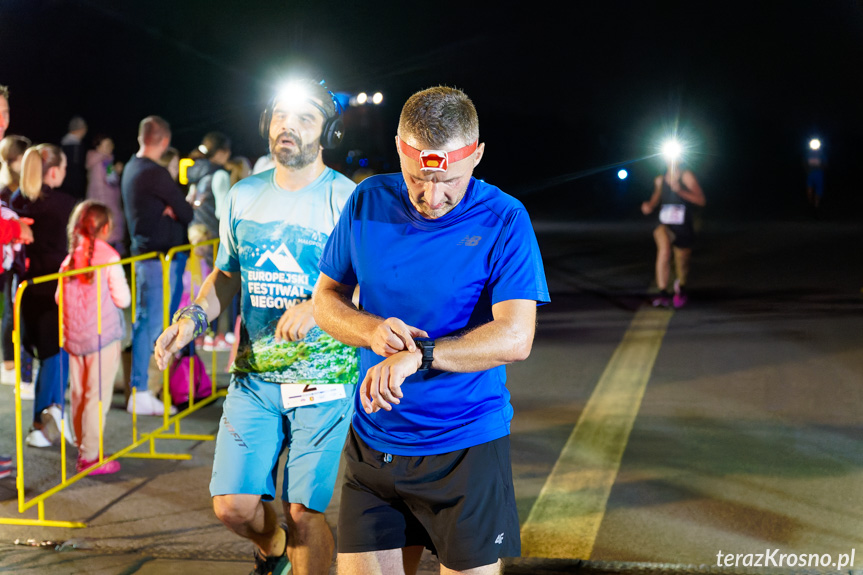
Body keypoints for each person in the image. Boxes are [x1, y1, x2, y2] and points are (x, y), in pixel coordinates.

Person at [313, 86, 550, 575]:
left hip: (465, 448)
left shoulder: (504, 218)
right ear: (400, 148)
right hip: (374, 445)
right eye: (419, 178)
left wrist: (418, 355)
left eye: (451, 181)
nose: (432, 196)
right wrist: (370, 329)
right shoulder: (367, 201)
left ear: (478, 155)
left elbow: (515, 336)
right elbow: (325, 300)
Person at [154, 78, 357, 575]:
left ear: (327, 132)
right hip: (255, 378)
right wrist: (191, 320)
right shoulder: (243, 195)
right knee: (233, 507)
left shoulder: (347, 200)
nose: (288, 126)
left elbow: (370, 290)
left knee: (303, 511)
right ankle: (273, 550)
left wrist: (320, 306)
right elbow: (225, 275)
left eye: (305, 117)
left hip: (323, 379)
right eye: (281, 115)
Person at [121, 116, 192, 416]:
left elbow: (176, 210)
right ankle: (140, 390)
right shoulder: (155, 173)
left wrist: (170, 209)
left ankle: (144, 389)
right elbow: (186, 212)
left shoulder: (131, 167)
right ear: (164, 141)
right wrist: (172, 210)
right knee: (150, 323)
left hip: (148, 257)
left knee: (148, 320)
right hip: (156, 259)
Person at [56, 200, 131, 474]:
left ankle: (84, 445)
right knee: (97, 397)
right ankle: (89, 456)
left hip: (74, 339)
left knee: (78, 393)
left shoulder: (69, 258)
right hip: (103, 338)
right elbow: (123, 299)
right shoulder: (109, 256)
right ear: (107, 227)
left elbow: (58, 297)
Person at [12, 144, 78, 447]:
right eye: (63, 168)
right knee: (55, 356)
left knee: (46, 355)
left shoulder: (16, 200)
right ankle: (43, 420)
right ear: (53, 170)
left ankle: (47, 419)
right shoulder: (64, 205)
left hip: (26, 287)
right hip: (55, 287)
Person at [641, 158, 706, 308]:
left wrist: (680, 191)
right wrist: (648, 206)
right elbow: (655, 199)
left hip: (683, 226)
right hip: (664, 224)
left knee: (682, 262)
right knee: (664, 251)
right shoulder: (659, 179)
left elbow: (701, 200)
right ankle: (663, 293)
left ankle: (681, 287)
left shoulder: (686, 176)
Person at [0, 135, 35, 393]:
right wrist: (17, 227)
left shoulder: (22, 188)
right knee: (12, 311)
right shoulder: (5, 190)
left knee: (15, 310)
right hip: (8, 259)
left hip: (18, 258)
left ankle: (12, 366)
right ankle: (9, 365)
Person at [86, 135, 125, 254]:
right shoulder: (102, 162)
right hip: (106, 207)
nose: (110, 147)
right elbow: (108, 184)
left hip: (104, 206)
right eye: (106, 145)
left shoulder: (103, 162)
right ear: (98, 147)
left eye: (111, 144)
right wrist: (116, 171)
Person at [59, 116, 88, 200]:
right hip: (73, 190)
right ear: (82, 129)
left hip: (62, 187)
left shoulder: (62, 143)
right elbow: (76, 170)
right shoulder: (76, 146)